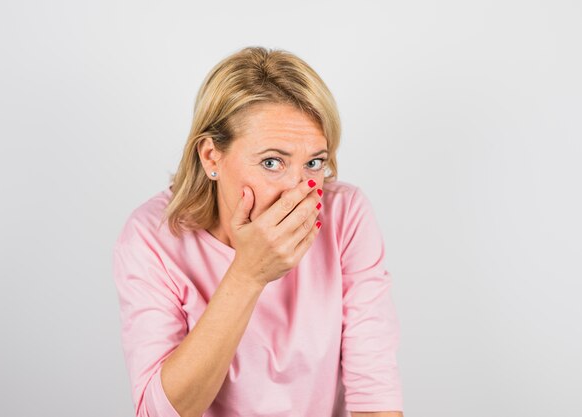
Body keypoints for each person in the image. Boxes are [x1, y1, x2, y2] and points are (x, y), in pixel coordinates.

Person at [112, 46, 404, 417]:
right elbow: (159, 412)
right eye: (272, 162)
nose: (298, 190)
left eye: (314, 162)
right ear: (211, 156)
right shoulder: (152, 238)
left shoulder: (345, 215)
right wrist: (248, 274)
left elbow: (375, 396)